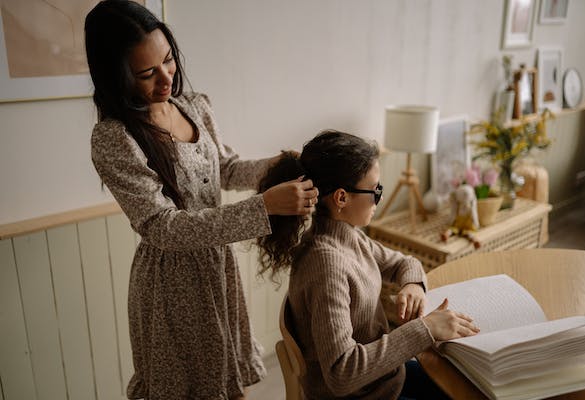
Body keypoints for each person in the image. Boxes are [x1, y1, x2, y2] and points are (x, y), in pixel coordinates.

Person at [84, 1, 318, 399]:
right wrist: (264, 207)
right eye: (146, 74)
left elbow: (225, 168)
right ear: (115, 77)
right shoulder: (115, 139)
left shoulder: (193, 107)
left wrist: (281, 164)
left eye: (169, 60)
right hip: (171, 282)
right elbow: (163, 227)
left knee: (227, 384)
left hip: (216, 266)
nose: (166, 79)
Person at [257, 130, 480, 400]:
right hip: (364, 393)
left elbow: (404, 262)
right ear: (341, 198)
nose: (379, 198)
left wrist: (413, 285)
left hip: (382, 378)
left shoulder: (347, 235)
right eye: (375, 190)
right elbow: (342, 372)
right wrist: (425, 329)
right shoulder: (327, 266)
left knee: (468, 381)